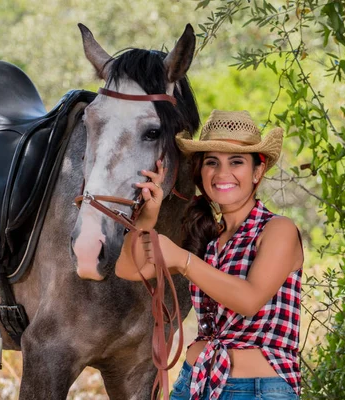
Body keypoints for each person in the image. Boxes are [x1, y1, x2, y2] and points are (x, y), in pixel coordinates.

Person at [115, 110, 303, 400]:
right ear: (201, 172)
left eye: (236, 162)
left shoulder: (278, 230)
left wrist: (183, 260)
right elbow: (128, 269)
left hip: (257, 390)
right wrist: (147, 218)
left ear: (257, 171)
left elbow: (249, 300)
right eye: (211, 162)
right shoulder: (210, 238)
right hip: (195, 382)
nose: (221, 173)